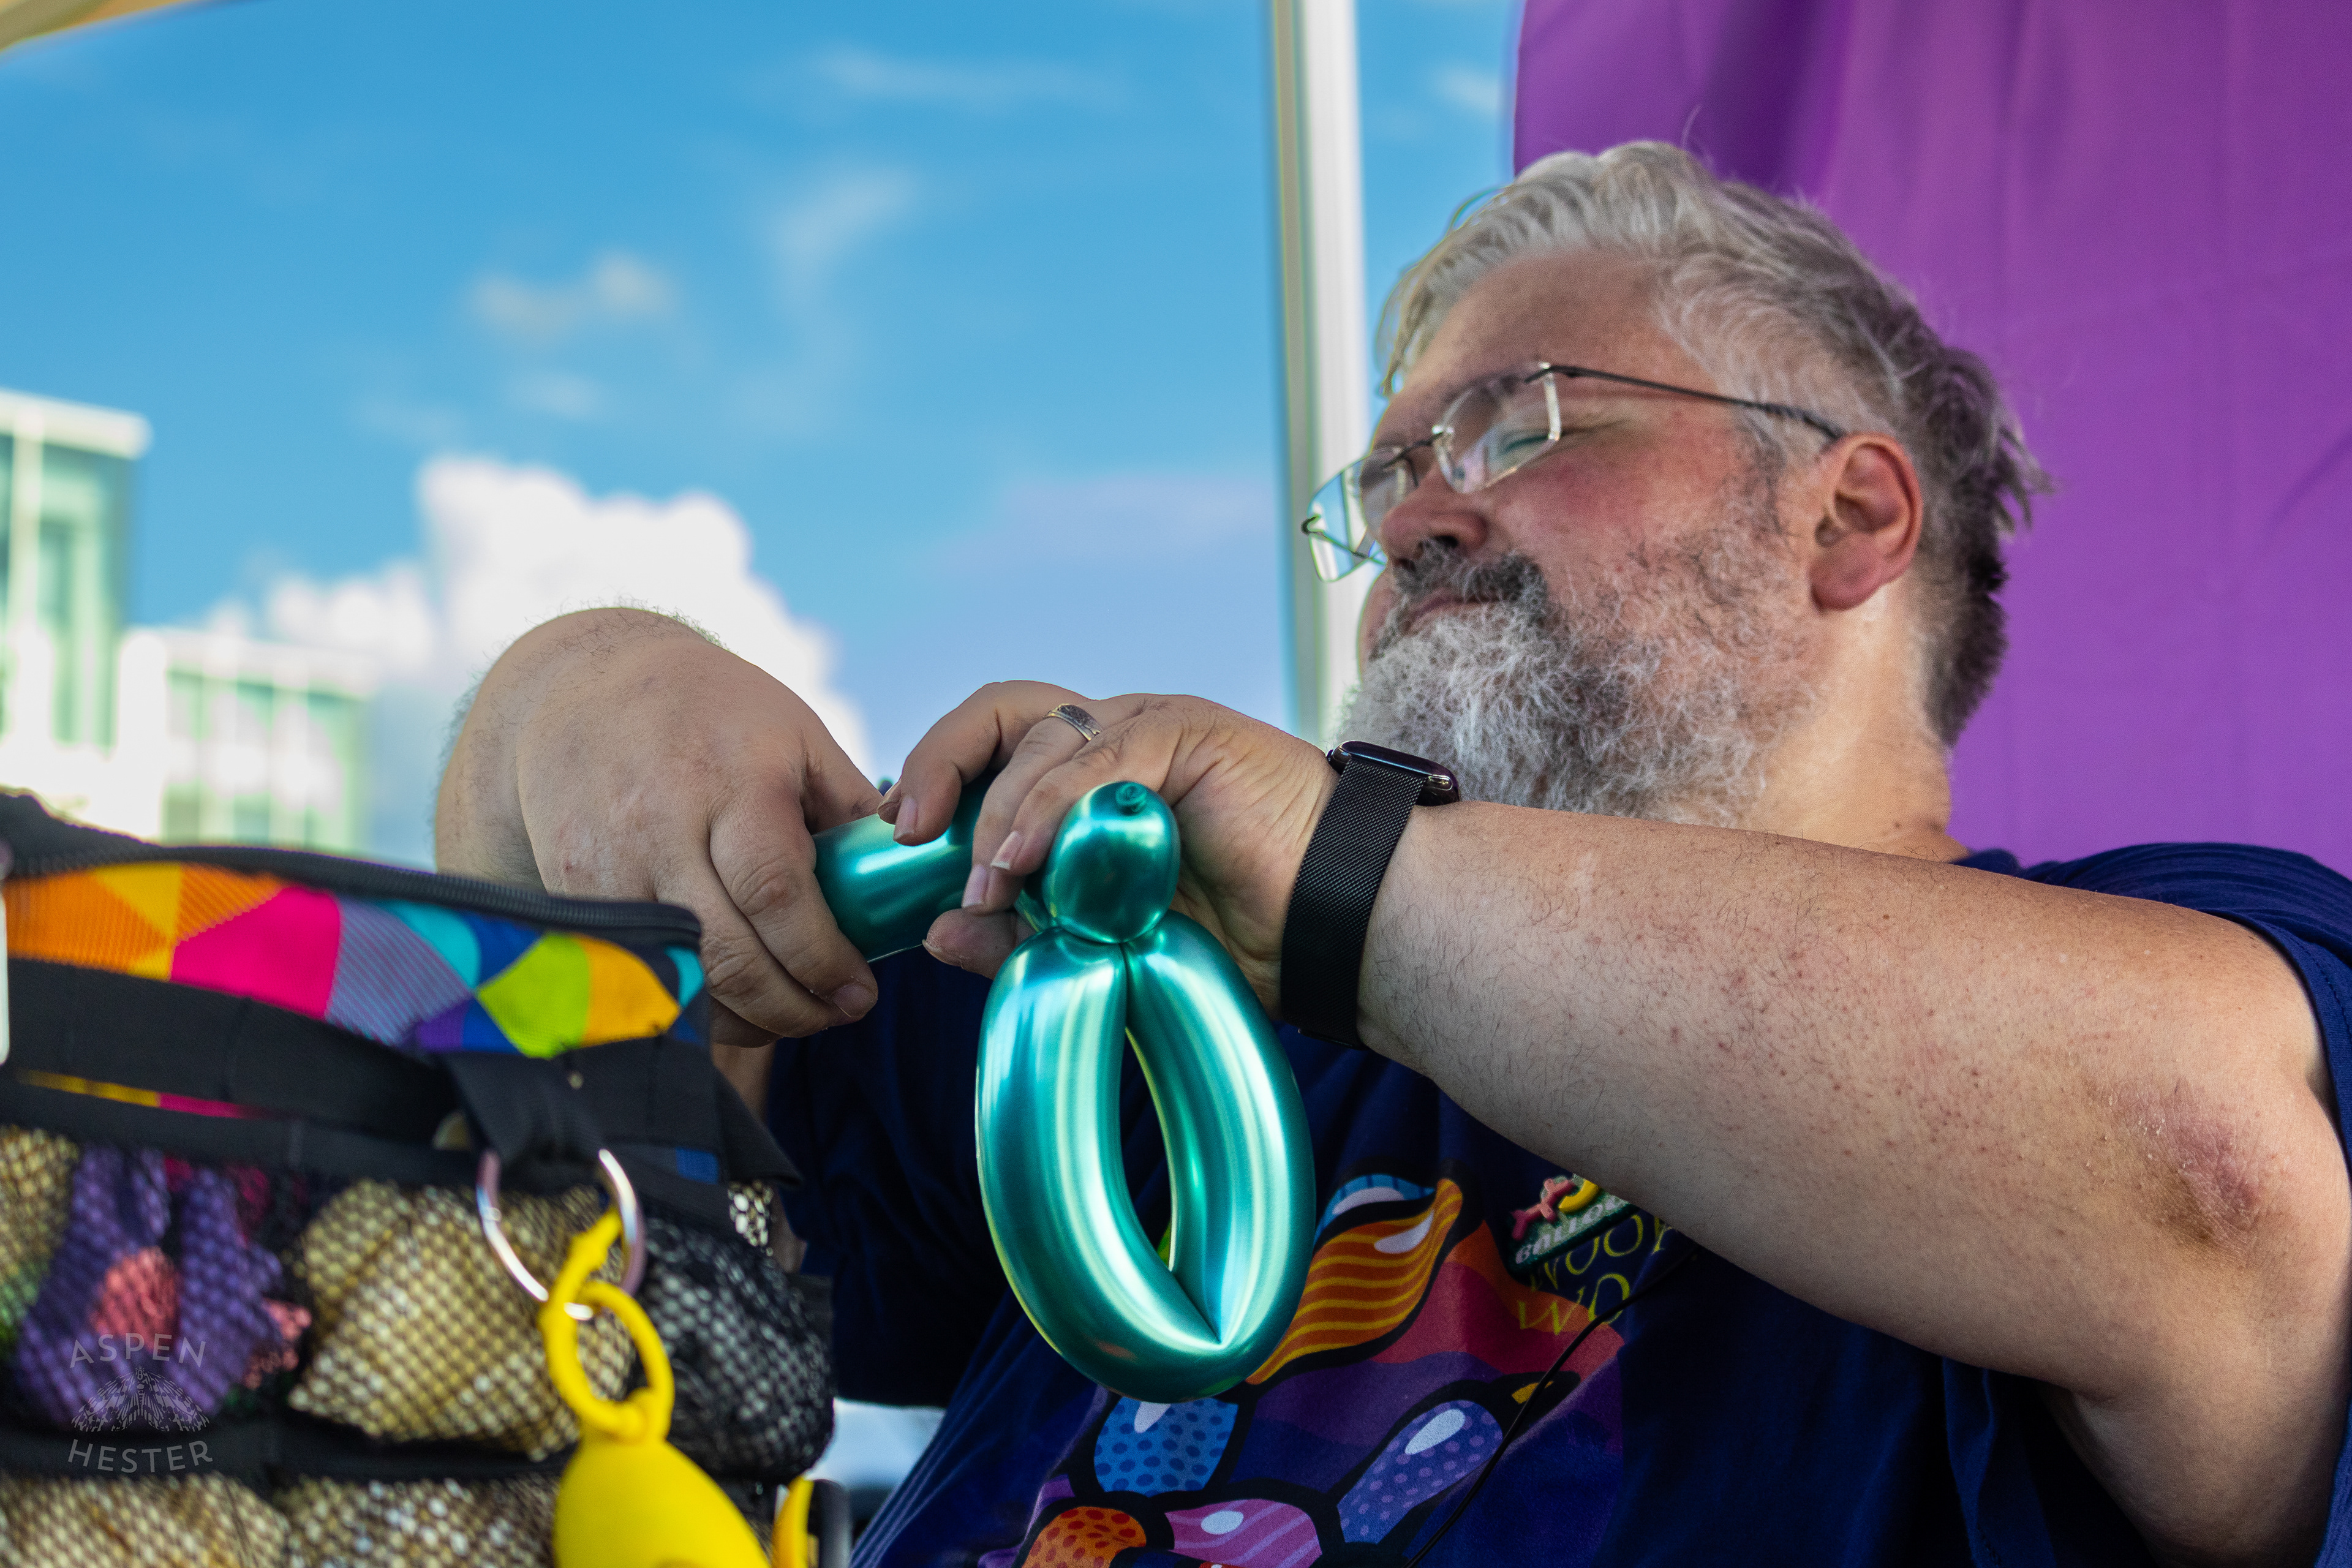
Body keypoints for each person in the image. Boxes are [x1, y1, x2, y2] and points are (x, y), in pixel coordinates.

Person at [434, 143, 2352, 1566]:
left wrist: (1332, 870)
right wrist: (585, 691)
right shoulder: (1173, 1028)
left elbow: (2205, 1173)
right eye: (1382, 482)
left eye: (1519, 424)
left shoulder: (2179, 951)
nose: (1418, 518)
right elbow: (614, 1133)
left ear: (1848, 514)